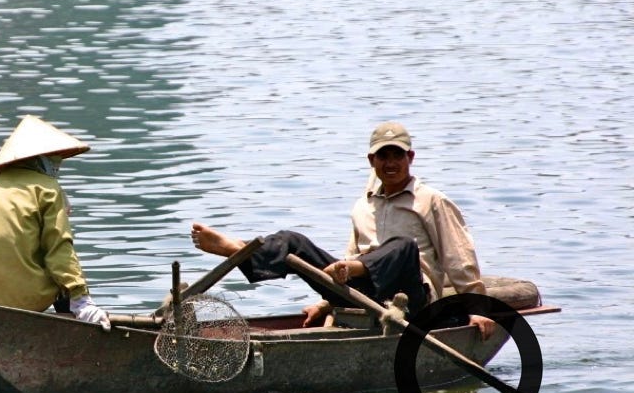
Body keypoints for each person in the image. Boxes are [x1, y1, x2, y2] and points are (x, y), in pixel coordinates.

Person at [191, 121, 495, 338]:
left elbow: (459, 257)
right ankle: (239, 249)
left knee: (403, 246)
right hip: (364, 295)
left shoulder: (431, 200)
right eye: (383, 156)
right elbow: (342, 268)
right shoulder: (363, 206)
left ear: (410, 158)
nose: (391, 163)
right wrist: (326, 303)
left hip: (412, 299)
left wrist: (478, 308)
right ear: (371, 161)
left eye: (397, 155)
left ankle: (359, 269)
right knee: (292, 240)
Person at [0, 115, 111, 331]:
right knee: (63, 280)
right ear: (39, 159)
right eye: (54, 159)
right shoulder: (48, 189)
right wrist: (82, 299)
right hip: (23, 301)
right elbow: (59, 250)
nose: (57, 165)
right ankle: (74, 322)